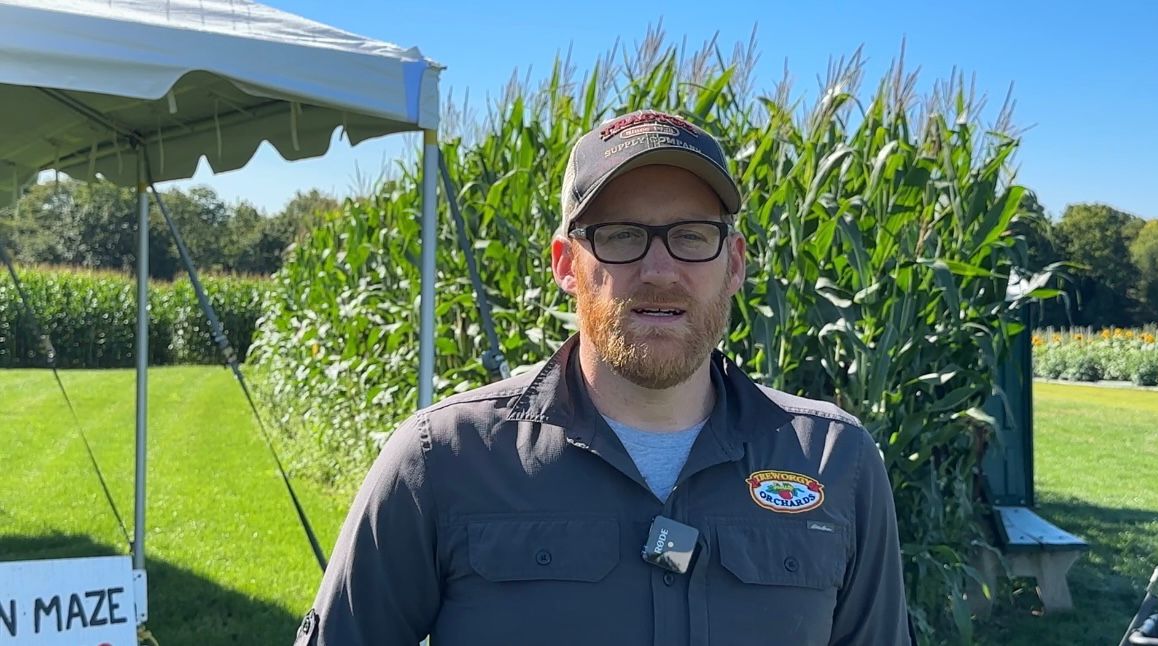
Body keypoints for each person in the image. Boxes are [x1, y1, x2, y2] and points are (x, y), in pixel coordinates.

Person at [295, 109, 912, 645]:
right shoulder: (444, 460)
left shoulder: (837, 463)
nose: (660, 269)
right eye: (621, 237)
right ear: (566, 264)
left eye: (692, 236)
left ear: (735, 262)